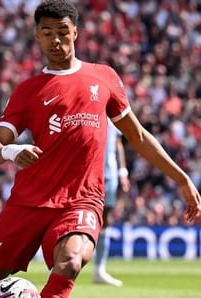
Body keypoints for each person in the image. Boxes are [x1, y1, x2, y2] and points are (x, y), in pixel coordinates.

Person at [0, 0, 201, 298]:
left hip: (81, 200)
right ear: (36, 35)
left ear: (75, 33)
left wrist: (182, 179)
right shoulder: (27, 90)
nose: (55, 39)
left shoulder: (104, 77)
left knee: (69, 262)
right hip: (29, 200)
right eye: (47, 31)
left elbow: (139, 137)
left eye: (62, 31)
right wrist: (12, 151)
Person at [92, 121, 130, 286]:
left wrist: (122, 171)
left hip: (110, 175)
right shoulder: (90, 108)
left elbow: (118, 144)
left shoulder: (113, 116)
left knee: (105, 220)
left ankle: (100, 269)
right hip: (89, 173)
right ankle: (63, 264)